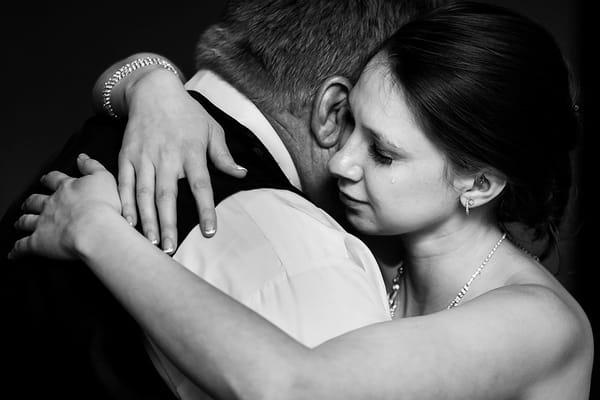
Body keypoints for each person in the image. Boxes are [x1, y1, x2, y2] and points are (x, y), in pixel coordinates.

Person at [10, 2, 592, 399]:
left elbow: (293, 388)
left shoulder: (538, 323)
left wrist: (97, 232)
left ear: (479, 185)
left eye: (383, 154)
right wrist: (153, 83)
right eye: (349, 124)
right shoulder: (374, 238)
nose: (340, 161)